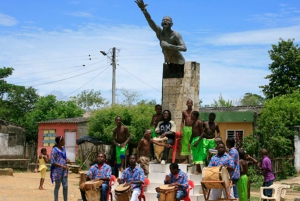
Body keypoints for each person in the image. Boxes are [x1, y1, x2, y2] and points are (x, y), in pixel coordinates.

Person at [135, 0, 187, 76]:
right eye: (163, 20)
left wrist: (168, 46)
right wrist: (144, 10)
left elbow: (184, 48)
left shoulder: (176, 34)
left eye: (167, 20)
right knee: (167, 85)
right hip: (168, 62)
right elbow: (150, 22)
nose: (165, 21)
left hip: (179, 62)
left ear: (171, 24)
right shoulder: (159, 32)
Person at [50, 136, 70, 201]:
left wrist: (67, 159)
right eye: (63, 141)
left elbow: (64, 157)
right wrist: (62, 166)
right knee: (57, 186)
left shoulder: (63, 148)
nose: (64, 142)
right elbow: (53, 162)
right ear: (59, 142)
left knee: (65, 186)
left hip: (64, 170)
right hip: (57, 171)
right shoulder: (54, 150)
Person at [180, 99, 194, 164]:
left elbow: (197, 121)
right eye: (188, 103)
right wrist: (181, 130)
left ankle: (193, 159)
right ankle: (186, 159)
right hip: (186, 129)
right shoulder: (184, 112)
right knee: (185, 143)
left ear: (192, 104)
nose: (189, 104)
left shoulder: (194, 112)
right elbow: (182, 121)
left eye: (190, 103)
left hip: (192, 128)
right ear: (186, 104)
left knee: (192, 143)